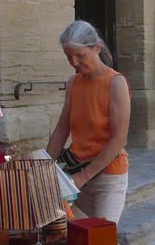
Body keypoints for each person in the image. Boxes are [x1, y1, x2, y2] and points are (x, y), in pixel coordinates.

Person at [46, 20, 131, 223]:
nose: (74, 62)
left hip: (107, 174)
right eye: (69, 56)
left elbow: (119, 139)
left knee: (102, 238)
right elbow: (61, 129)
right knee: (79, 238)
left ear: (97, 48)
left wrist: (83, 176)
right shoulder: (73, 82)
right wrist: (45, 167)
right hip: (76, 172)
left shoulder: (115, 82)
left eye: (80, 55)